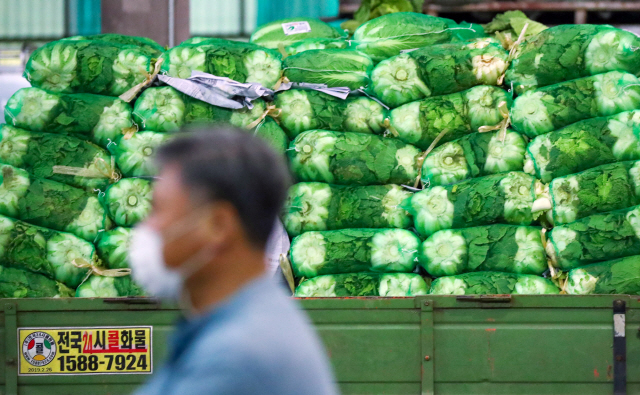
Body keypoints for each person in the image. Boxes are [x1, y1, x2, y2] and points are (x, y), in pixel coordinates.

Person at [129, 126, 339, 395]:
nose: (147, 227)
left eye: (158, 210)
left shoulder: (237, 356)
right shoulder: (245, 323)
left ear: (218, 226)